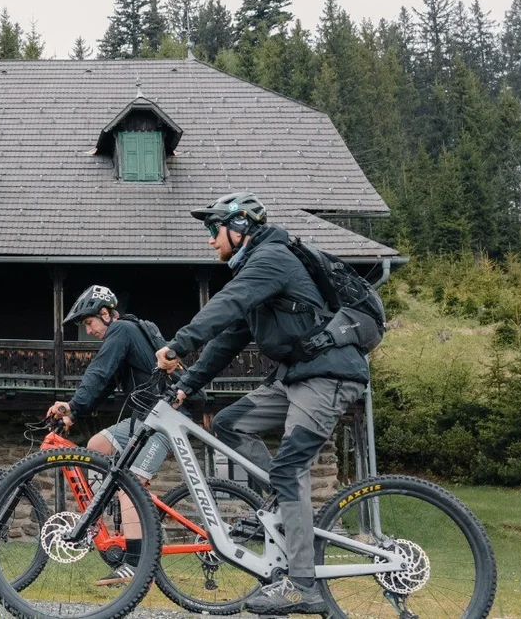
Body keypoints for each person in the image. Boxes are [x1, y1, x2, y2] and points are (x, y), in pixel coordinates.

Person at [154, 192, 373, 616]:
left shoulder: (271, 258)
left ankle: (303, 585)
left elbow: (227, 304)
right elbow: (228, 338)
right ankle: (281, 500)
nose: (209, 241)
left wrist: (179, 343)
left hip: (327, 375)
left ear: (239, 228)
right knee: (232, 423)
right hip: (296, 377)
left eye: (212, 231)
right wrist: (188, 384)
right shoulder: (258, 275)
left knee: (290, 468)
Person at [42, 285, 191, 588]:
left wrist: (72, 403)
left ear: (106, 314)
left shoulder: (121, 330)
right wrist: (74, 414)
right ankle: (117, 510)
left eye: (89, 323)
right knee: (96, 446)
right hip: (144, 418)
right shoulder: (125, 334)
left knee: (131, 487)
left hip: (165, 419)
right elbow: (106, 383)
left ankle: (135, 565)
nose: (89, 331)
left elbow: (98, 372)